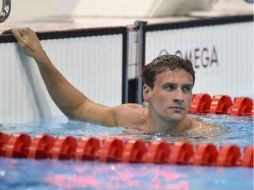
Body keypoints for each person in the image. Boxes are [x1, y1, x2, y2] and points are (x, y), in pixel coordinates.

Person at [4, 27, 208, 134]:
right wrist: (39, 56)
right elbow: (77, 108)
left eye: (186, 89)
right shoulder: (129, 118)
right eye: (170, 88)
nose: (180, 97)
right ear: (147, 92)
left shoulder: (204, 137)